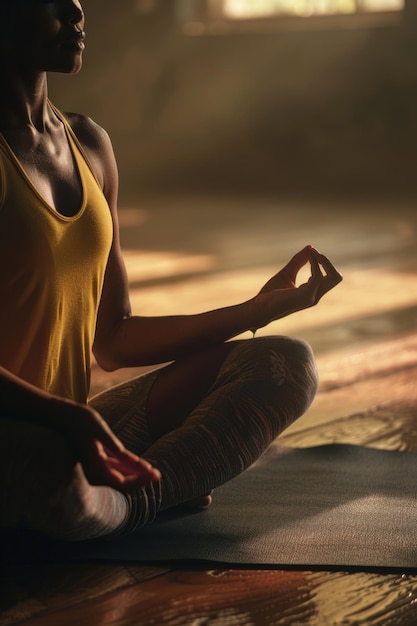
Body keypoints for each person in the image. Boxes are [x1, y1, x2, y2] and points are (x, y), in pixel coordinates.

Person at [0, 0, 342, 541]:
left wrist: (253, 311)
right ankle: (140, 498)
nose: (75, 8)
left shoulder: (90, 145)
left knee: (285, 364)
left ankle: (129, 503)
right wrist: (68, 420)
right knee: (51, 463)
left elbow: (113, 339)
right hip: (39, 442)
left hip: (72, 431)